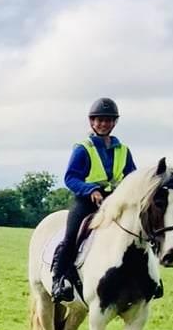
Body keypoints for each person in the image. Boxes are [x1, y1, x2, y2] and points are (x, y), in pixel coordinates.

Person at [50, 97, 140, 302]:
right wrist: (90, 189)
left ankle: (148, 280)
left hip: (115, 201)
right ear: (92, 122)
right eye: (100, 120)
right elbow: (70, 177)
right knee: (72, 236)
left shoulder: (123, 150)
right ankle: (59, 279)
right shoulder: (83, 148)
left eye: (108, 120)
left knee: (139, 231)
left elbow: (132, 177)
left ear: (114, 123)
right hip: (86, 201)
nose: (104, 124)